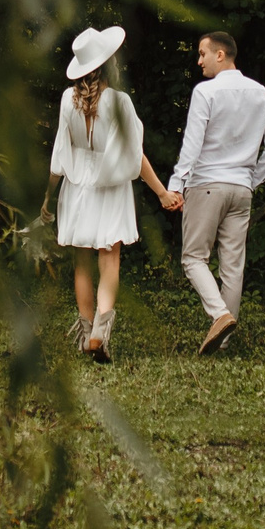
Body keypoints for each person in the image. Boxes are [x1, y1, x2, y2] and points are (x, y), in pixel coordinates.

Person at [48, 25, 176, 363]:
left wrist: (48, 199)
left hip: (77, 188)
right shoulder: (119, 102)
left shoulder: (67, 100)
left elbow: (59, 156)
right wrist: (161, 192)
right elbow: (135, 154)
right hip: (109, 189)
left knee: (82, 262)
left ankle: (85, 332)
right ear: (108, 65)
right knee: (109, 260)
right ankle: (100, 334)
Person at [162, 29, 265, 355]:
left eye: (202, 54)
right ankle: (224, 343)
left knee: (193, 258)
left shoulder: (206, 92)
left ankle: (219, 315)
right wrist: (252, 179)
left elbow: (192, 144)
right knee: (232, 266)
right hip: (241, 189)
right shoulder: (261, 93)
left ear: (221, 54)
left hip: (206, 185)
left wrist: (176, 184)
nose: (199, 61)